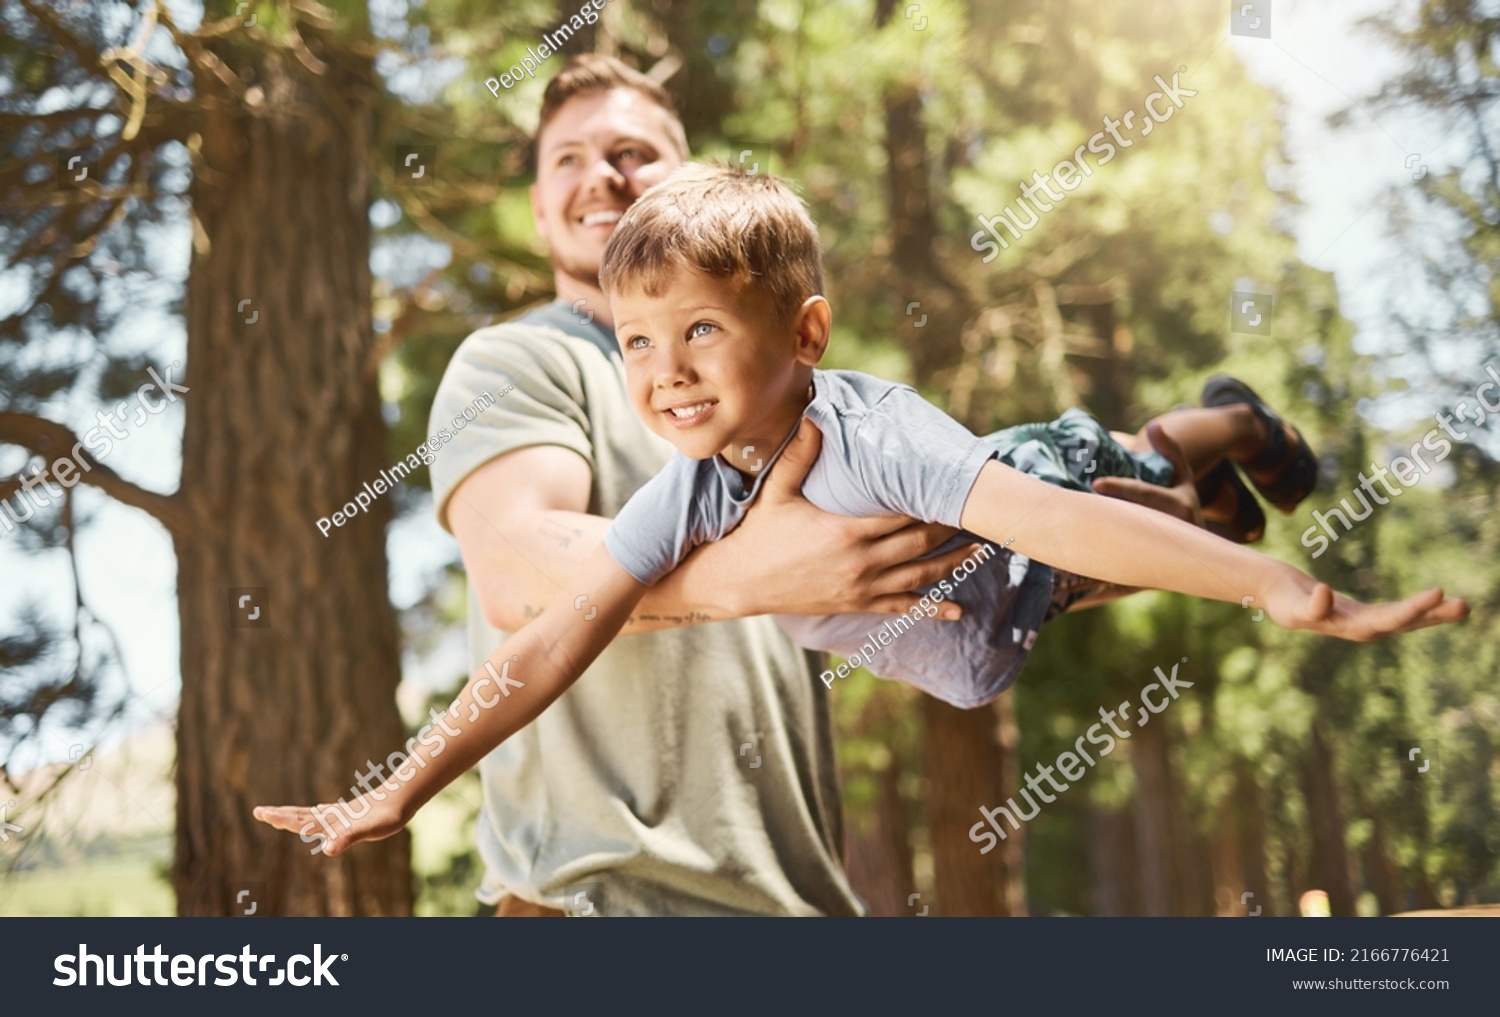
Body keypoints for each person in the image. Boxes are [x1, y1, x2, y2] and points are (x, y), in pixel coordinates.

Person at [254, 163, 1468, 859]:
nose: (664, 370)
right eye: (635, 341)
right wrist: (404, 786)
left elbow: (1050, 522)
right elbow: (547, 639)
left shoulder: (880, 435)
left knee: (1137, 463)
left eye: (701, 331)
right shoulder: (692, 495)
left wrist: (1278, 593)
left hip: (1029, 506)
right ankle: (1222, 516)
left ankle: (1241, 429)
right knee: (1179, 527)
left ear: (806, 332)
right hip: (1015, 608)